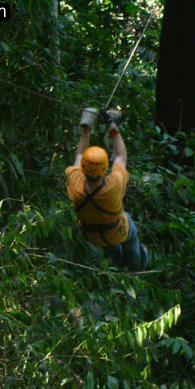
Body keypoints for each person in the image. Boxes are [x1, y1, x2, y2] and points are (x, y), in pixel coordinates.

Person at [65, 108, 147, 271]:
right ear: (105, 169)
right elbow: (121, 156)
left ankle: (117, 267)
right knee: (129, 227)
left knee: (109, 242)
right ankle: (136, 269)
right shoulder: (113, 186)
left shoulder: (75, 183)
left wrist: (86, 130)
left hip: (92, 236)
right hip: (118, 231)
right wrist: (113, 128)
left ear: (83, 168)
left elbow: (78, 155)